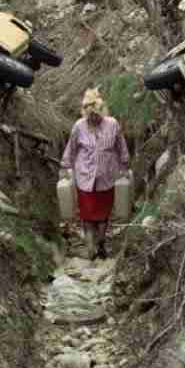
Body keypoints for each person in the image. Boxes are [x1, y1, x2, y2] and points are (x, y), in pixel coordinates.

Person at [61, 89, 130, 259]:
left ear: (102, 111)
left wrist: (125, 165)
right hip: (85, 178)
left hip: (106, 177)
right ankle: (90, 248)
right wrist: (65, 167)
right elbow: (72, 148)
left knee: (104, 215)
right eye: (90, 116)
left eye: (96, 115)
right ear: (85, 113)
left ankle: (101, 243)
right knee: (87, 216)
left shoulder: (112, 124)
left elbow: (121, 146)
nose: (93, 119)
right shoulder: (79, 126)